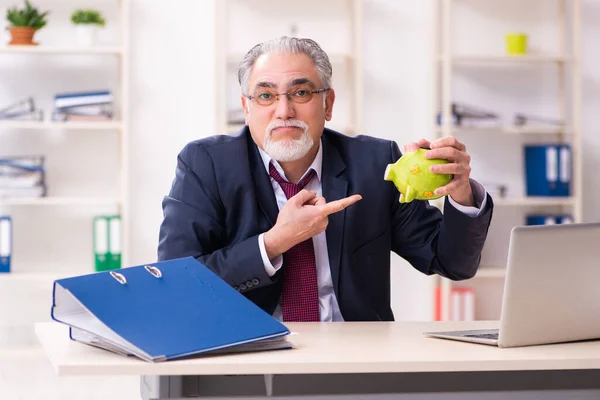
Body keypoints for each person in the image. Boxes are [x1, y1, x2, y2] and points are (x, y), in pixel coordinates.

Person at [157, 36, 493, 322]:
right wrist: (274, 242)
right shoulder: (206, 164)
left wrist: (461, 194)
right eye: (266, 95)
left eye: (300, 93)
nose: (284, 110)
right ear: (247, 108)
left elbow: (450, 262)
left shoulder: (376, 163)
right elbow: (177, 283)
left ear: (328, 103)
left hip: (353, 361)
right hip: (246, 355)